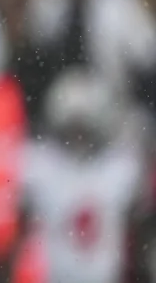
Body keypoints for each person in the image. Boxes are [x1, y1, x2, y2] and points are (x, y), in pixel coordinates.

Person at [11, 67, 153, 283]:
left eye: (84, 128)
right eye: (72, 128)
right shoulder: (38, 164)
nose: (79, 137)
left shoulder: (122, 166)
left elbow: (139, 232)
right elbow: (20, 232)